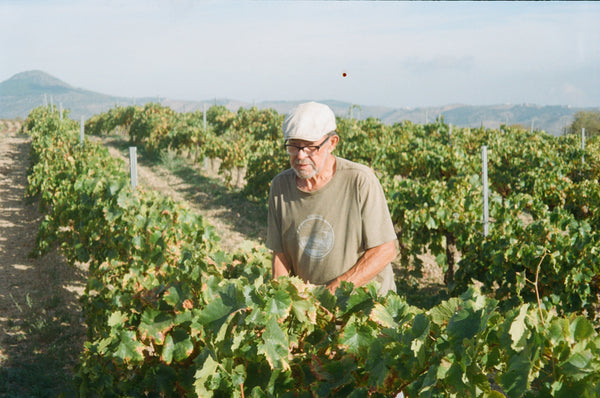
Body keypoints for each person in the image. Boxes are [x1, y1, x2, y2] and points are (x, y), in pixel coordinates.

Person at [266, 101, 397, 295]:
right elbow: (281, 256)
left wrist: (331, 293)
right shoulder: (280, 186)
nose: (301, 156)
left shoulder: (360, 180)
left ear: (332, 143)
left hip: (364, 306)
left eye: (311, 147)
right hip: (312, 308)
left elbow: (385, 250)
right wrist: (280, 303)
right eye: (293, 146)